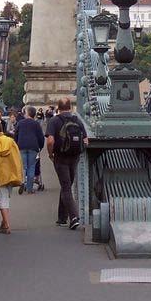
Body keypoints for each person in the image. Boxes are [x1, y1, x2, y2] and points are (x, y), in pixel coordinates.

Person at [45, 97, 88, 230]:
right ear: (70, 107)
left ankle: (74, 217)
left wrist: (50, 154)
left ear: (58, 107)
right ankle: (62, 218)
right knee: (66, 184)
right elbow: (86, 140)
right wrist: (79, 150)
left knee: (66, 187)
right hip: (74, 157)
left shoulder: (54, 121)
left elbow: (50, 141)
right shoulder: (77, 120)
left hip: (61, 157)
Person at [15, 105, 45, 194]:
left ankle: (22, 182)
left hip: (22, 146)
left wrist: (17, 145)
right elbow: (41, 137)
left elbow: (16, 135)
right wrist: (40, 146)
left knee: (23, 167)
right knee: (31, 167)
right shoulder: (36, 124)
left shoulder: (20, 123)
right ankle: (29, 189)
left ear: (27, 114)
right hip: (33, 147)